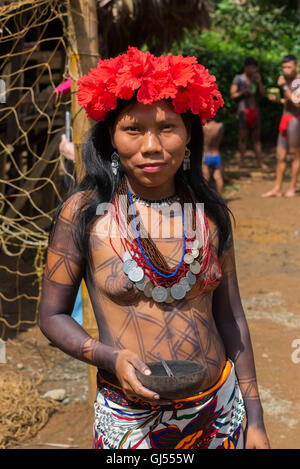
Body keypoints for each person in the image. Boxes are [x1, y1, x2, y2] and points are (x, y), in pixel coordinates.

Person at [38, 47, 270, 449]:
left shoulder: (209, 214)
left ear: (188, 135)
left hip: (219, 409)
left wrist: (256, 420)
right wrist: (110, 357)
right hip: (130, 420)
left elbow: (232, 320)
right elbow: (52, 315)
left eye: (167, 128)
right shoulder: (85, 213)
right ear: (110, 137)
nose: (151, 145)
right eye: (133, 129)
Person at [261, 54, 300, 198]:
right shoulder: (290, 82)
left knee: (295, 155)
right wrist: (278, 100)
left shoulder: (298, 81)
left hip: (296, 120)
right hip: (285, 119)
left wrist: (283, 86)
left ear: (295, 66)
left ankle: (291, 188)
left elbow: (297, 102)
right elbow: (289, 101)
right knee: (280, 156)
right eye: (284, 67)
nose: (286, 70)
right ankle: (277, 188)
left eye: (289, 66)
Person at [230, 57, 267, 169]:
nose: (253, 70)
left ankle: (260, 162)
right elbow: (232, 95)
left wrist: (260, 82)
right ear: (246, 67)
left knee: (257, 138)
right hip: (243, 111)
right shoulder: (238, 79)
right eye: (252, 67)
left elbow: (263, 93)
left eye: (255, 68)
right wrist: (244, 91)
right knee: (243, 137)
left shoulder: (256, 79)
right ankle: (241, 161)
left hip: (255, 110)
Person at [202, 118, 224, 194]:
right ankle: (220, 198)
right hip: (216, 155)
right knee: (218, 177)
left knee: (205, 178)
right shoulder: (220, 126)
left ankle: (205, 199)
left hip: (205, 156)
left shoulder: (205, 127)